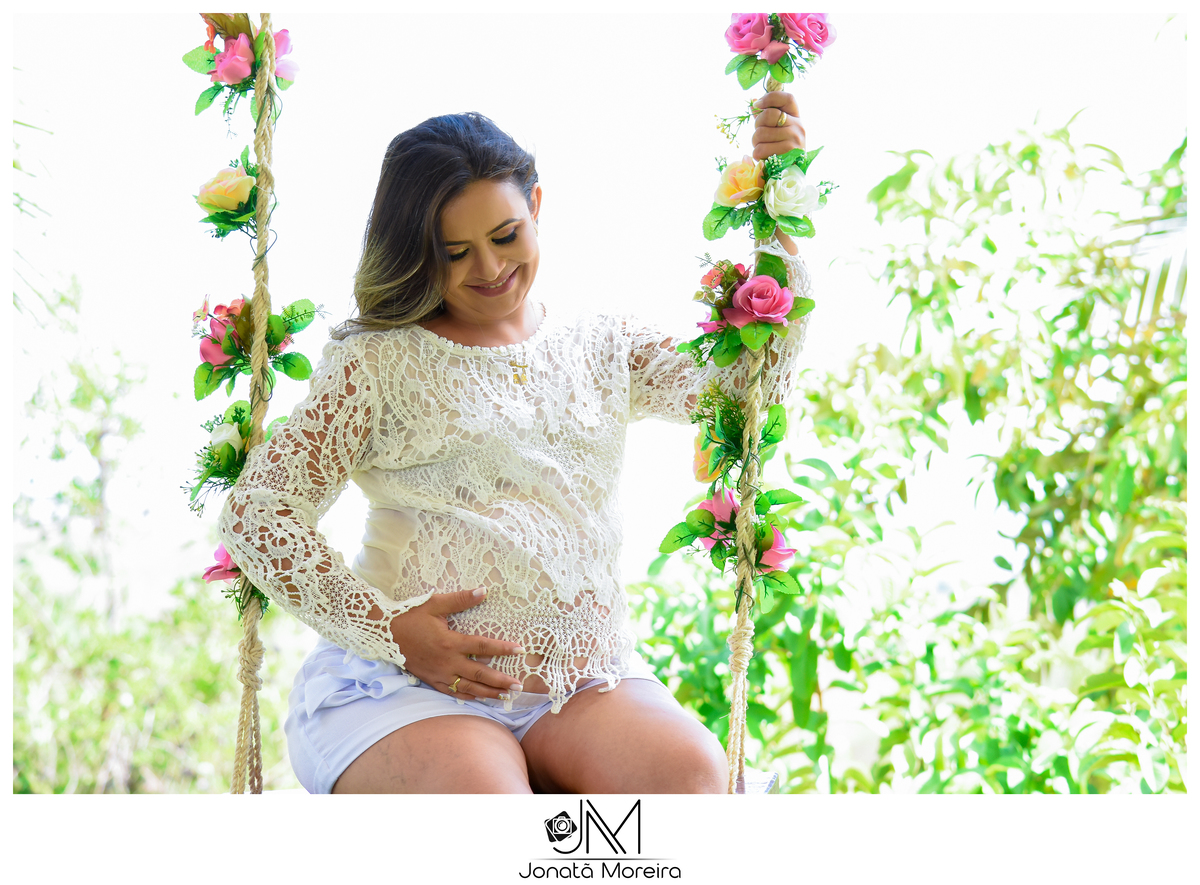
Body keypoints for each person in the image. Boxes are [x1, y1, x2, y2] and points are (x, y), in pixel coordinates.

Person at [217, 91, 811, 794]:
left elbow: (742, 389)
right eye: (454, 252)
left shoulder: (601, 342)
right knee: (487, 798)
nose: (489, 268)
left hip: (578, 682)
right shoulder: (378, 361)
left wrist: (780, 215)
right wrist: (389, 630)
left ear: (536, 204)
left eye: (505, 236)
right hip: (405, 686)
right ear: (417, 251)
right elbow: (258, 512)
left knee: (691, 777)